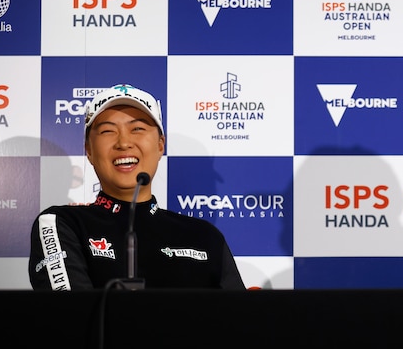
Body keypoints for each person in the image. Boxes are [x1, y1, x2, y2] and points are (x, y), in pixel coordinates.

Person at [29, 83, 246, 290]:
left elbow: (241, 323)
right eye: (107, 131)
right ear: (89, 150)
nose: (123, 143)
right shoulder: (61, 224)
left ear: (161, 145)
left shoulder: (205, 236)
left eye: (138, 129)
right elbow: (70, 316)